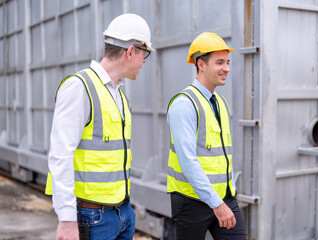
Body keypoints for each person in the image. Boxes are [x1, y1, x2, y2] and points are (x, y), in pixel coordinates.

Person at [45, 13, 155, 240]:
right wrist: (67, 219)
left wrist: (127, 212)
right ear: (131, 51)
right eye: (145, 54)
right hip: (92, 217)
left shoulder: (119, 95)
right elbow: (60, 155)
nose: (145, 61)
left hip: (122, 212)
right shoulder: (80, 87)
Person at [166, 32, 246, 240]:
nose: (227, 68)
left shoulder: (219, 102)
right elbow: (187, 161)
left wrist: (227, 195)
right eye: (220, 62)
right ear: (201, 64)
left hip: (224, 197)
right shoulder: (184, 105)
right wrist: (216, 204)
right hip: (191, 202)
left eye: (227, 62)